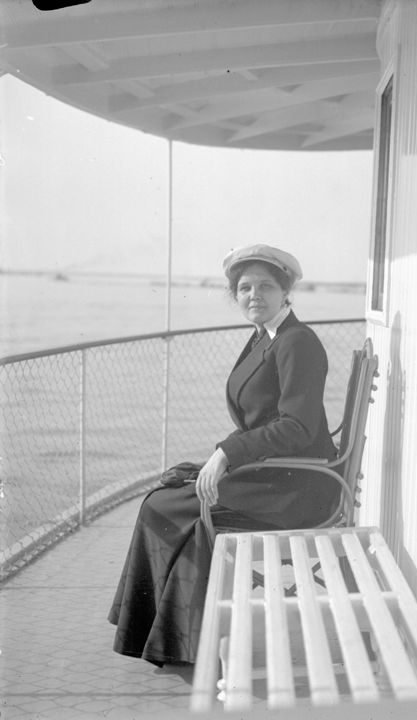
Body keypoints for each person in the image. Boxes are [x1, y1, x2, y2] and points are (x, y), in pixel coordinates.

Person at [108, 244, 339, 667]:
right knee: (168, 497)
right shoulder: (266, 336)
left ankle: (175, 640)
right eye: (245, 288)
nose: (254, 295)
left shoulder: (297, 342)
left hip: (299, 488)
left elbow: (297, 427)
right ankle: (166, 635)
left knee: (167, 506)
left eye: (265, 286)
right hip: (275, 473)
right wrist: (218, 457)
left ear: (285, 291)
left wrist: (226, 455)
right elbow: (261, 420)